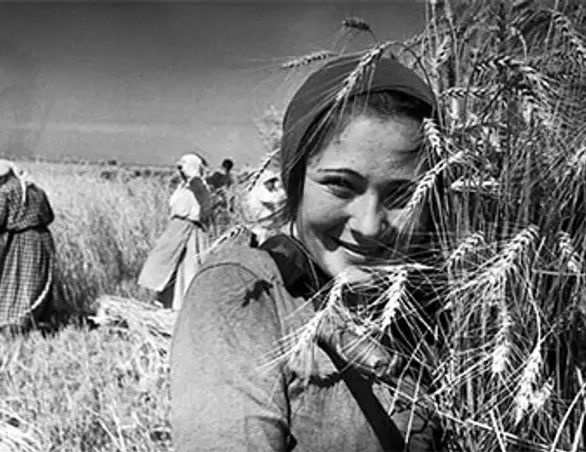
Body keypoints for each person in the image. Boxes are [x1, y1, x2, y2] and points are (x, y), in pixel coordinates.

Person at [170, 53, 443, 451]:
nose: (370, 225)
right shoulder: (243, 295)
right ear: (294, 180)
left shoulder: (442, 298)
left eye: (402, 194)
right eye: (340, 185)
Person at [0, 159, 56, 333]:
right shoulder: (37, 190)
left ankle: (13, 321)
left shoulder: (7, 191)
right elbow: (49, 217)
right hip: (43, 240)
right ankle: (35, 319)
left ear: (2, 177)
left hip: (22, 241)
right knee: (37, 281)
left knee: (16, 280)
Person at [137, 153, 212, 310]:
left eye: (183, 167)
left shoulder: (198, 186)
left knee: (189, 267)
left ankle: (186, 307)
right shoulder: (185, 186)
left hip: (190, 233)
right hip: (179, 230)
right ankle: (171, 304)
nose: (180, 171)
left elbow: (199, 206)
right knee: (174, 268)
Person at [243, 168, 285, 243]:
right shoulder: (259, 191)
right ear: (266, 182)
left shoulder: (268, 191)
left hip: (267, 223)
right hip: (260, 225)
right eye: (272, 182)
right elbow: (274, 200)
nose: (273, 184)